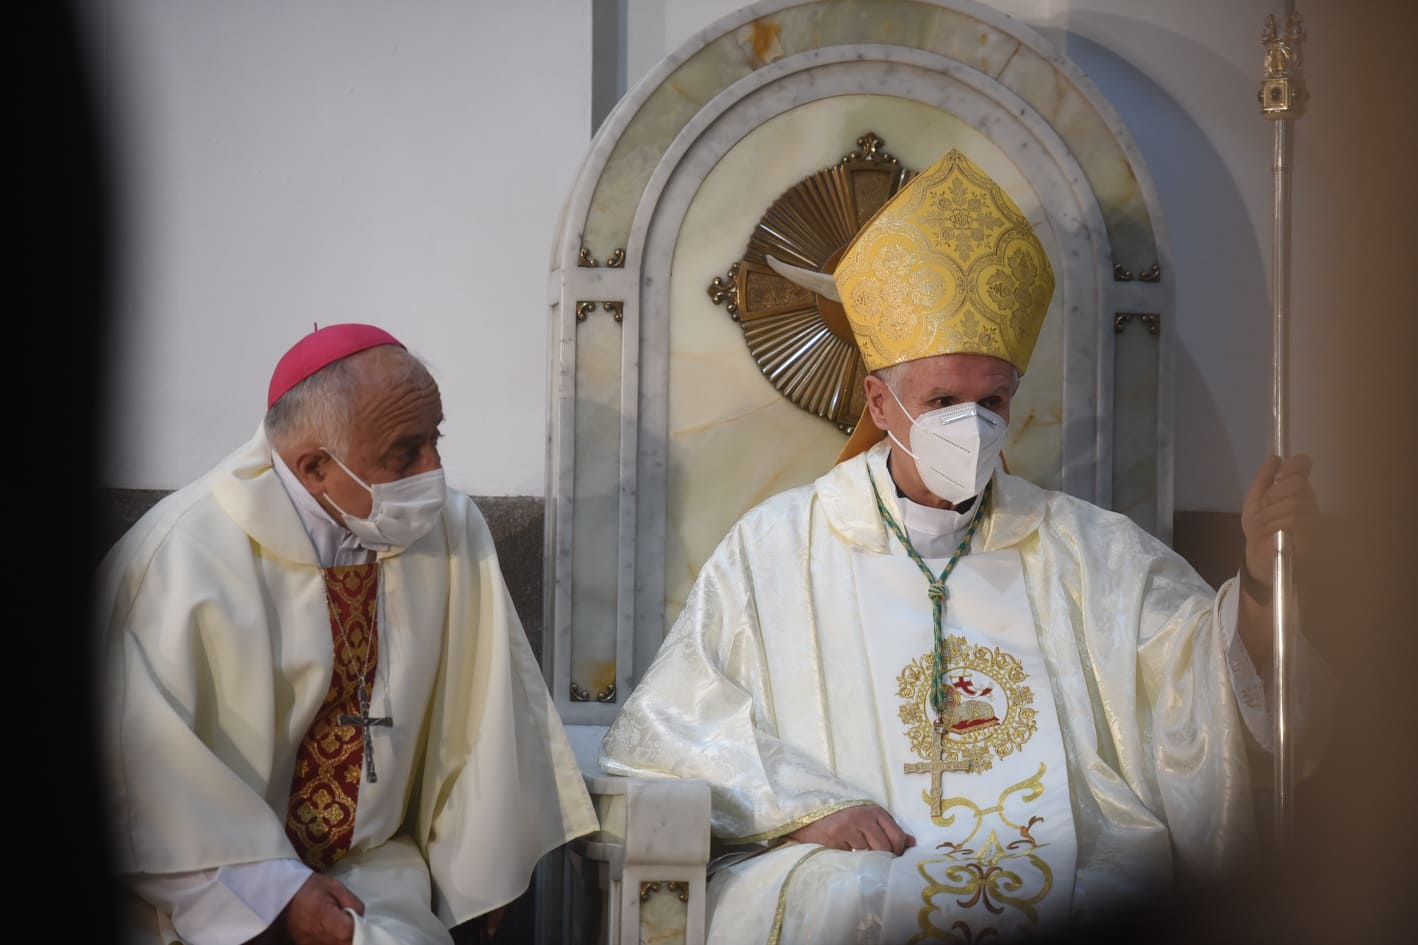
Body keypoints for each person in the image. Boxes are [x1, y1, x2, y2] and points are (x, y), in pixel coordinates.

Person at [599, 150, 1326, 943]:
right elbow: (667, 728)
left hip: (1063, 860)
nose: (971, 425)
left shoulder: (1088, 551)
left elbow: (1209, 694)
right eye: (943, 400)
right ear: (880, 400)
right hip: (859, 865)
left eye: (993, 400)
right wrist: (807, 809)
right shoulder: (780, 547)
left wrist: (1259, 574)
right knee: (853, 901)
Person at [97, 324, 597, 945]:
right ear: (313, 468)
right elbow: (138, 776)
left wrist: (481, 865)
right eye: (404, 453)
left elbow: (487, 709)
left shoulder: (449, 530)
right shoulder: (175, 561)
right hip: (220, 887)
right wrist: (279, 892)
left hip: (380, 871)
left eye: (435, 440)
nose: (433, 471)